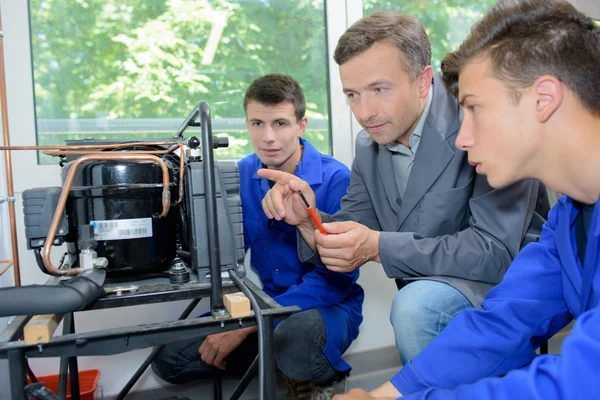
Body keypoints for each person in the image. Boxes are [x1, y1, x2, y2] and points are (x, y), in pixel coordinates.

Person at [334, 0, 600, 399]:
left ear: (544, 99)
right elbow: (504, 321)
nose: (462, 137)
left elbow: (578, 382)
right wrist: (387, 394)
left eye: (475, 107)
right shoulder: (567, 219)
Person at [259, 12, 547, 364]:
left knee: (416, 306)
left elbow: (495, 252)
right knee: (417, 303)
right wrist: (306, 218)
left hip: (510, 281)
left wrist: (379, 246)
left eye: (380, 89)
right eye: (352, 94)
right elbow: (352, 231)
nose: (364, 112)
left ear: (423, 81)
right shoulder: (369, 148)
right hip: (431, 285)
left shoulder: (480, 121)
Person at [152, 74, 364, 399]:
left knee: (295, 339)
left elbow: (339, 277)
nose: (268, 137)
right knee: (168, 358)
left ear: (301, 125)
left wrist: (250, 324)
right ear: (247, 124)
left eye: (280, 123)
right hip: (264, 304)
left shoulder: (337, 179)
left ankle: (320, 375)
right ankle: (281, 361)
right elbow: (226, 258)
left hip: (326, 306)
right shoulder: (240, 174)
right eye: (257, 123)